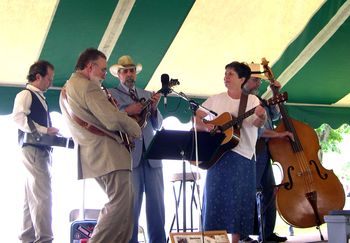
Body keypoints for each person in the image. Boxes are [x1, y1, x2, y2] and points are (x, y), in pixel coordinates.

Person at [59, 48, 141, 242]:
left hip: (93, 155)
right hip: (108, 155)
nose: (105, 75)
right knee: (119, 206)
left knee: (124, 209)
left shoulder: (67, 88)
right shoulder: (88, 87)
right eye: (103, 70)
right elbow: (111, 119)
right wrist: (134, 127)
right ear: (90, 67)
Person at [195, 61, 267, 243]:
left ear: (242, 79)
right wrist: (207, 126)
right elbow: (197, 117)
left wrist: (261, 116)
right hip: (217, 155)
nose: (226, 77)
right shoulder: (215, 99)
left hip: (242, 156)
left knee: (238, 202)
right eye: (225, 73)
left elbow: (257, 124)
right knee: (214, 200)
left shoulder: (251, 101)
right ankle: (214, 241)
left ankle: (236, 241)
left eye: (230, 74)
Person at [109, 55, 165, 243]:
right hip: (128, 157)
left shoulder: (147, 94)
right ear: (119, 74)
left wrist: (155, 109)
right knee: (131, 207)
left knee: (157, 207)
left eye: (132, 70)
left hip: (153, 156)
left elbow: (157, 125)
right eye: (125, 71)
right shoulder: (111, 94)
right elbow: (108, 120)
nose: (129, 74)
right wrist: (126, 111)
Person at [242, 62, 292, 242]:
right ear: (244, 80)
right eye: (256, 80)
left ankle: (267, 234)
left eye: (259, 81)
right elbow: (258, 131)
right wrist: (280, 135)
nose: (258, 84)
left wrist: (275, 93)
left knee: (269, 192)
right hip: (250, 151)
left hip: (264, 150)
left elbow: (276, 116)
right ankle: (242, 235)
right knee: (248, 192)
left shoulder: (259, 100)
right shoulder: (241, 101)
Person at [13, 60, 59, 243]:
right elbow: (17, 118)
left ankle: (27, 238)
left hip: (36, 150)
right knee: (43, 197)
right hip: (34, 150)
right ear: (38, 76)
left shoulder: (37, 95)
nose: (51, 83)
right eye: (49, 78)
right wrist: (44, 130)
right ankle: (45, 239)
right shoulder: (26, 94)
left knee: (30, 198)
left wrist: (47, 131)